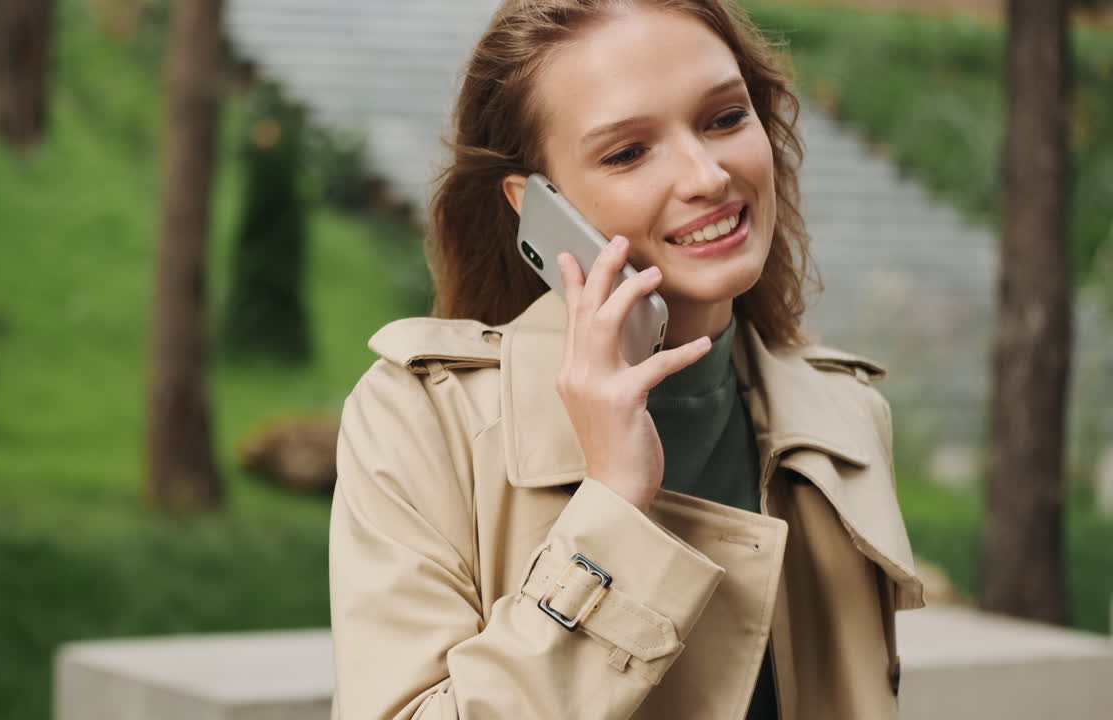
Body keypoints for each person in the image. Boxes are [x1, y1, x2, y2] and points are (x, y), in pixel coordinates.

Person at [329, 1, 925, 718]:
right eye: (627, 152)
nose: (706, 175)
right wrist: (611, 506)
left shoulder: (844, 420)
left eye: (725, 118)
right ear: (536, 206)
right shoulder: (423, 422)